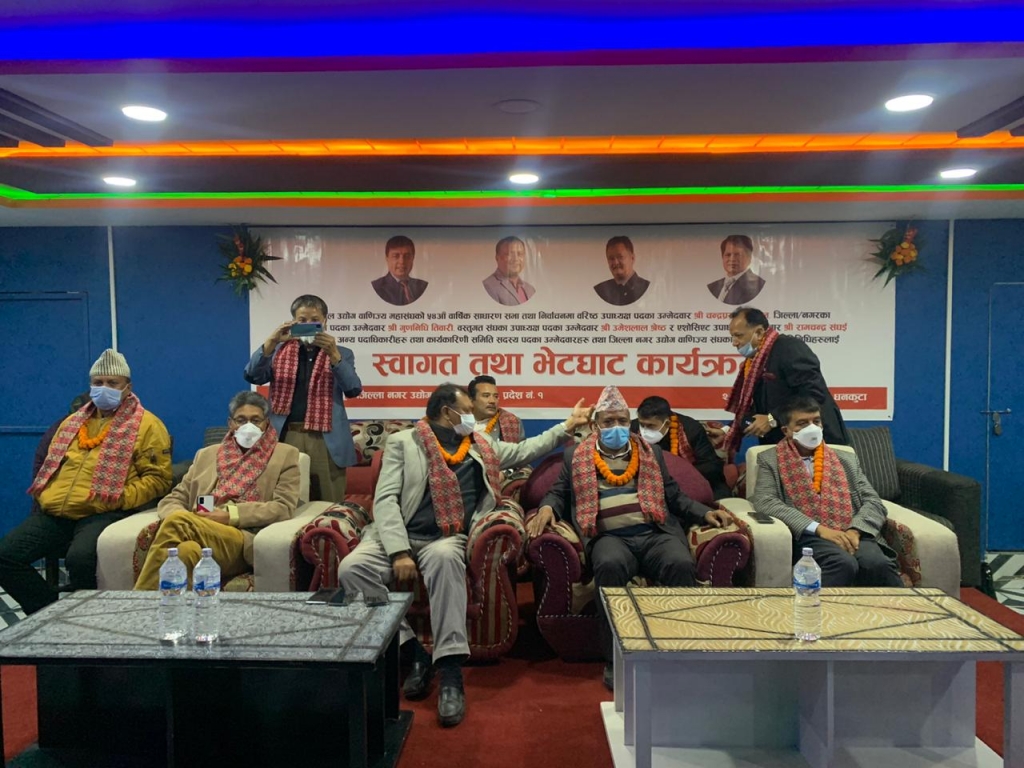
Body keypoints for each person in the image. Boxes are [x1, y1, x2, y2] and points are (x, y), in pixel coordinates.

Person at [338, 383, 593, 728]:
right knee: (352, 569)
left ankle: (449, 669)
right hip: (397, 535)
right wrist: (399, 551)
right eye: (468, 411)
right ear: (448, 413)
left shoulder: (479, 443)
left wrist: (567, 425)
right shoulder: (404, 443)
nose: (473, 417)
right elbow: (385, 500)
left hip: (445, 537)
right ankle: (411, 652)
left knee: (446, 562)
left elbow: (524, 450)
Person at [526, 386, 731, 689]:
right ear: (596, 425)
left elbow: (674, 496)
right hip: (609, 537)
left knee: (680, 563)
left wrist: (704, 513)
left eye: (622, 421)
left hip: (655, 533)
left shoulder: (650, 453)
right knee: (609, 565)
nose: (617, 427)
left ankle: (678, 650)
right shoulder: (575, 456)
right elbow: (558, 491)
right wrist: (546, 508)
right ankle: (615, 658)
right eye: (609, 422)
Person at [1, 349, 172, 614]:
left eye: (112, 383)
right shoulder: (72, 423)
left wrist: (121, 497)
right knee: (5, 556)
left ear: (127, 387)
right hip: (57, 512)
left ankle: (90, 618)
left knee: (80, 560)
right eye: (98, 382)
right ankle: (49, 614)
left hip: (103, 511)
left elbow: (158, 480)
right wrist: (45, 494)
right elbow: (50, 466)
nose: (104, 388)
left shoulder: (148, 425)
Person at [134, 392, 300, 590]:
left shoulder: (285, 455)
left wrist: (230, 516)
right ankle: (175, 608)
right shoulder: (207, 455)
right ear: (230, 423)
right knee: (187, 551)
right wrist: (188, 519)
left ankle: (138, 600)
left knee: (180, 522)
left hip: (241, 538)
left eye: (256, 420)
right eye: (241, 420)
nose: (248, 426)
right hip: (199, 526)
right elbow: (173, 499)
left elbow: (283, 507)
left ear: (266, 423)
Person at [751, 397, 902, 587]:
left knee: (877, 564)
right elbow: (765, 501)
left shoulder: (846, 459)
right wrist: (820, 529)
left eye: (816, 421)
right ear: (786, 431)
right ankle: (813, 606)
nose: (812, 428)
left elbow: (873, 501)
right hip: (808, 536)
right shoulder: (770, 460)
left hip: (852, 532)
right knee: (842, 563)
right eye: (802, 423)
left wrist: (855, 530)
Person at [244, 294, 361, 503]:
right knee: (288, 501)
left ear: (325, 321)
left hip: (325, 438)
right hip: (287, 435)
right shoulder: (278, 351)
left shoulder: (342, 353)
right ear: (293, 322)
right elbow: (253, 376)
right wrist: (271, 342)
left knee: (329, 502)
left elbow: (353, 389)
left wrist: (333, 354)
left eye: (314, 320)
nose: (308, 325)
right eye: (302, 320)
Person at [724, 306, 850, 458]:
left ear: (759, 332)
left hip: (817, 441)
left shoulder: (789, 348)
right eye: (732, 337)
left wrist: (772, 419)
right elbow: (758, 409)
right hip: (782, 444)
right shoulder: (756, 361)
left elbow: (813, 396)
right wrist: (728, 430)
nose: (734, 343)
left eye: (738, 336)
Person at [632, 395, 731, 500]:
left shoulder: (691, 429)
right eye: (642, 425)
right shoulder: (633, 428)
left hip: (697, 483)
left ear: (667, 423)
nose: (644, 430)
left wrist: (676, 476)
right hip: (650, 486)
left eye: (650, 426)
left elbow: (711, 467)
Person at [706, 235, 766, 305]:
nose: (732, 259)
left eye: (738, 255)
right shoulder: (713, 287)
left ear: (749, 258)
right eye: (728, 255)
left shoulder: (759, 286)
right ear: (722, 257)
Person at [371, 235, 428, 305]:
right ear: (387, 259)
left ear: (413, 258)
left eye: (407, 256)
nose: (402, 261)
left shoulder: (422, 286)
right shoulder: (376, 288)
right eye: (396, 256)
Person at [593, 236, 650, 306]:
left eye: (620, 257)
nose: (615, 262)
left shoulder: (647, 289)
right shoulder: (601, 290)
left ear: (632, 258)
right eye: (611, 258)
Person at [468, 375, 523, 443]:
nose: (492, 401)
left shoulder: (511, 422)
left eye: (496, 396)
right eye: (486, 396)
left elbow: (520, 449)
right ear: (471, 400)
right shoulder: (459, 422)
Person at [482, 236, 536, 306]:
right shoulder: (488, 287)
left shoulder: (530, 289)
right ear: (497, 258)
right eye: (510, 254)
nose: (516, 259)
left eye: (520, 254)